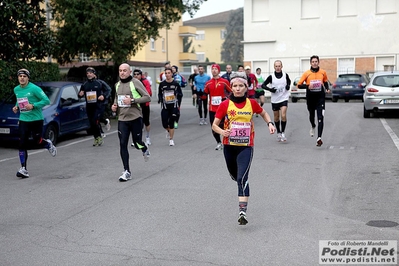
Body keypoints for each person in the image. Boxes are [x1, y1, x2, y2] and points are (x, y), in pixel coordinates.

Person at [212, 71, 275, 225]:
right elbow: (214, 125)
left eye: (241, 86)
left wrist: (270, 123)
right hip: (229, 146)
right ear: (231, 88)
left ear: (246, 87)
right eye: (235, 86)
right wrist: (222, 131)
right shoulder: (225, 104)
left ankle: (242, 212)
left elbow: (264, 113)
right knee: (235, 176)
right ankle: (237, 179)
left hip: (246, 146)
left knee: (242, 178)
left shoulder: (252, 103)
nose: (238, 88)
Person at [12, 68, 57, 179]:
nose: (22, 78)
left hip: (36, 119)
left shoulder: (34, 88)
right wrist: (16, 107)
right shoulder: (16, 89)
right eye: (20, 76)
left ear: (28, 78)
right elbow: (19, 100)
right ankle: (23, 169)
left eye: (24, 76)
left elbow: (46, 100)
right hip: (23, 119)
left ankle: (47, 144)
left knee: (37, 141)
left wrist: (33, 105)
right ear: (18, 78)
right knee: (22, 143)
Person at [111, 63, 151, 182]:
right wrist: (114, 107)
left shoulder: (135, 82)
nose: (122, 73)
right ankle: (126, 171)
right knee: (123, 144)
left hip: (135, 118)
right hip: (122, 119)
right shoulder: (117, 85)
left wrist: (133, 100)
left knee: (137, 142)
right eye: (120, 70)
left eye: (124, 70)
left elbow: (147, 97)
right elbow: (116, 101)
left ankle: (144, 148)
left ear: (130, 71)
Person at [297, 55, 331, 147]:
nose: (315, 63)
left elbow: (325, 82)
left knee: (320, 117)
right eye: (313, 62)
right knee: (312, 115)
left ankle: (319, 138)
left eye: (316, 61)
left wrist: (327, 88)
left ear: (318, 62)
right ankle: (313, 125)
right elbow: (299, 85)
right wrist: (308, 86)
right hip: (311, 98)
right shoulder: (306, 73)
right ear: (310, 63)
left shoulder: (323, 72)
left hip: (320, 97)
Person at [79, 67, 110, 146]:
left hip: (98, 106)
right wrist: (80, 94)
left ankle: (99, 136)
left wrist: (103, 96)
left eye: (90, 73)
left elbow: (108, 90)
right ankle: (96, 138)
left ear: (94, 74)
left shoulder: (99, 83)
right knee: (91, 124)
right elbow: (80, 94)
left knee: (95, 121)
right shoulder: (84, 84)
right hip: (89, 106)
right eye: (87, 73)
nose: (89, 74)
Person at [262, 60, 291, 142]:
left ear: (282, 66)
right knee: (276, 117)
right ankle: (278, 132)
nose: (278, 68)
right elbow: (263, 85)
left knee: (283, 115)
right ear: (274, 67)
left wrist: (288, 85)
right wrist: (270, 89)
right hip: (275, 100)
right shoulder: (271, 76)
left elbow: (289, 81)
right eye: (276, 66)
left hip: (284, 98)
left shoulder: (285, 75)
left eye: (279, 66)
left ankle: (283, 132)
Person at [204, 64, 231, 150]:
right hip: (212, 108)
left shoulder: (224, 81)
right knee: (213, 126)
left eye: (216, 69)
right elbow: (205, 93)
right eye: (213, 69)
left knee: (224, 125)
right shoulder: (208, 83)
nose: (214, 70)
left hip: (223, 108)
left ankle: (226, 141)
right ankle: (218, 142)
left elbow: (231, 92)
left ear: (219, 71)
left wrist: (226, 98)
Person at [158, 68, 183, 146]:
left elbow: (180, 94)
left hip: (174, 106)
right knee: (164, 124)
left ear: (172, 74)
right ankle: (168, 130)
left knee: (171, 122)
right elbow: (159, 93)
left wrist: (178, 101)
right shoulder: (162, 84)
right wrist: (160, 99)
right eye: (166, 73)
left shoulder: (175, 84)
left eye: (169, 73)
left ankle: (171, 139)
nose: (167, 75)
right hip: (165, 106)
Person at [132, 69, 152, 146]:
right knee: (136, 122)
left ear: (141, 75)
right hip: (135, 105)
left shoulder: (145, 82)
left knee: (146, 121)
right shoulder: (132, 82)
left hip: (145, 104)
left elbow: (148, 93)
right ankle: (137, 139)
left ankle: (147, 138)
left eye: (138, 74)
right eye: (135, 74)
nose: (136, 76)